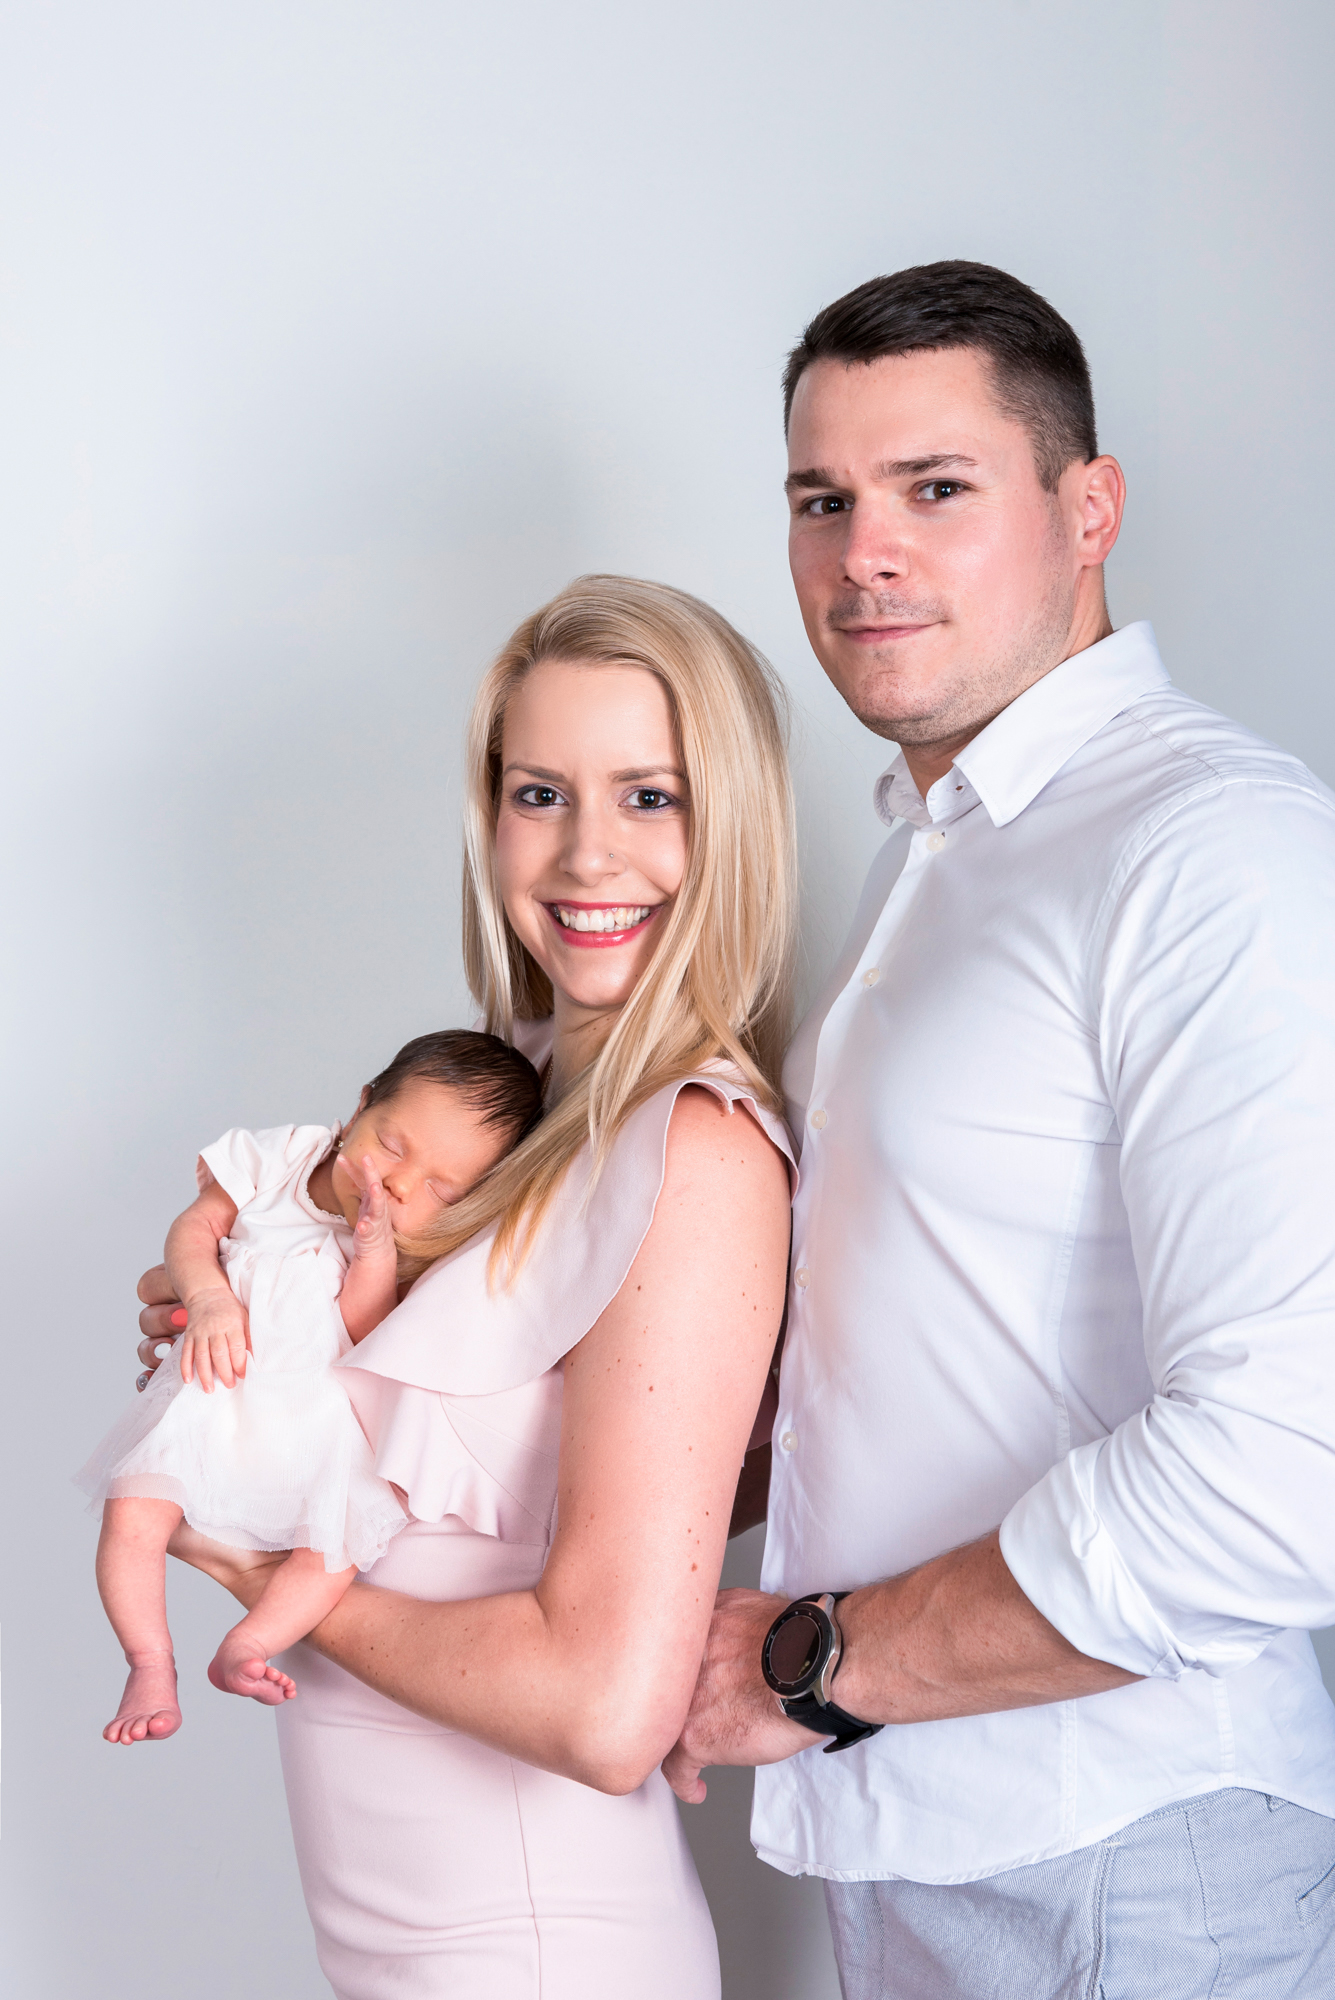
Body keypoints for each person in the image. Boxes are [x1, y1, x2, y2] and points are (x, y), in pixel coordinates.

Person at [664, 262, 1335, 1997]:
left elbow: (1288, 1473)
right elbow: (900, 1359)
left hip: (1129, 1861)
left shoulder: (1213, 852)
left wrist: (816, 1662)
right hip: (922, 1848)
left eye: (934, 491)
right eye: (824, 500)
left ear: (1088, 507)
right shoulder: (939, 852)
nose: (860, 553)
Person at [134, 574, 797, 1999]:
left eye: (649, 798)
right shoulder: (527, 1087)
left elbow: (604, 1707)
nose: (582, 857)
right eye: (539, 793)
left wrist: (269, 1576)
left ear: (729, 820)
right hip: (394, 1936)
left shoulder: (691, 1146)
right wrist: (246, 1308)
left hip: (529, 1947)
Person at [81, 1030, 541, 1742]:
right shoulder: (279, 1158)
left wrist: (376, 1253)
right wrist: (207, 1301)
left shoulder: (399, 1246)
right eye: (393, 1146)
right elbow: (194, 1230)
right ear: (358, 1108)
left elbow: (363, 1328)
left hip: (317, 1421)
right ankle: (148, 1661)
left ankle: (249, 1644)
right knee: (134, 1512)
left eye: (440, 1188)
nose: (398, 1183)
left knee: (332, 1555)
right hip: (216, 1386)